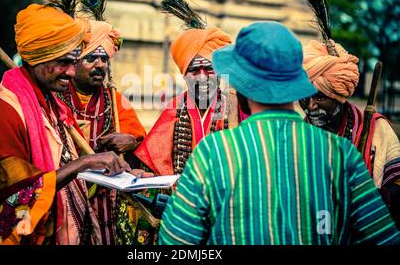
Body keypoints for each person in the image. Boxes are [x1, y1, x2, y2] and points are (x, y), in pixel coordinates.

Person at [158, 21, 400, 245]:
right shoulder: (341, 154)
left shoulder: (213, 153)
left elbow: (174, 242)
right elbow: (385, 238)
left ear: (241, 90)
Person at [0, 4, 131, 245]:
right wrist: (84, 163)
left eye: (73, 63)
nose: (71, 73)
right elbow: (15, 196)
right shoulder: (6, 113)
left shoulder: (50, 103)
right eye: (64, 63)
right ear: (39, 59)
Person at [56, 0, 148, 244]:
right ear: (73, 62)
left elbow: (139, 140)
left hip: (105, 198)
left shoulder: (113, 99)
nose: (99, 65)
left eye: (104, 58)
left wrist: (130, 141)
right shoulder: (56, 95)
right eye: (90, 58)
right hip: (63, 194)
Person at [134, 0, 235, 176]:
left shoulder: (235, 108)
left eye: (209, 68)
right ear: (184, 74)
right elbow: (153, 161)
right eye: (194, 70)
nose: (203, 77)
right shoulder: (174, 108)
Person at [301, 39, 400, 228]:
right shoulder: (296, 135)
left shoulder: (377, 130)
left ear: (339, 96)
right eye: (305, 97)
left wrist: (374, 197)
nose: (311, 105)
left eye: (320, 97)